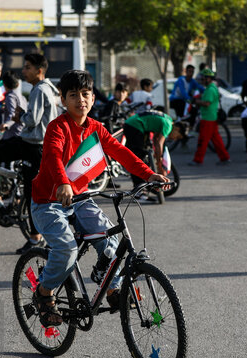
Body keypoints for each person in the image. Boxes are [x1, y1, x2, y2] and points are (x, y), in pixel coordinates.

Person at [29, 69, 169, 326]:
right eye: (73, 95)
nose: (80, 100)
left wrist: (149, 175)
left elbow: (121, 152)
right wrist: (63, 183)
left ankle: (113, 289)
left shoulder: (96, 128)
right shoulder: (57, 127)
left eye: (85, 94)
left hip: (80, 199)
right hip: (48, 202)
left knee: (111, 240)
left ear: (93, 98)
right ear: (63, 99)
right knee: (66, 250)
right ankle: (44, 292)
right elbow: (52, 157)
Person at [0, 53, 59, 254]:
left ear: (39, 71)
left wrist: (19, 116)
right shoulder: (51, 88)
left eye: (27, 67)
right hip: (35, 144)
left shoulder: (38, 90)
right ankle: (3, 194)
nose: (23, 71)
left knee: (31, 192)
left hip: (32, 146)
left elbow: (32, 120)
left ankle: (34, 237)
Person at [123, 110, 187, 190]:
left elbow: (156, 140)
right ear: (177, 129)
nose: (175, 139)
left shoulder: (168, 120)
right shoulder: (168, 126)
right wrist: (160, 166)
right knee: (138, 157)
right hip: (135, 126)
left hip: (138, 125)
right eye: (177, 137)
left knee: (144, 151)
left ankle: (143, 183)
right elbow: (159, 144)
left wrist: (157, 157)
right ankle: (139, 190)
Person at [189, 68, 231, 166]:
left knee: (202, 140)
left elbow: (207, 103)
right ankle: (225, 158)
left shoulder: (210, 89)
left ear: (209, 78)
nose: (202, 80)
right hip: (211, 118)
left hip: (208, 119)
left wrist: (196, 101)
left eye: (203, 78)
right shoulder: (211, 88)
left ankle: (198, 160)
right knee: (216, 140)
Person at [0, 70, 27, 142]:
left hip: (13, 134)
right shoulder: (22, 97)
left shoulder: (10, 97)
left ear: (4, 84)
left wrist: (6, 124)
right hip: (22, 132)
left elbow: (12, 114)